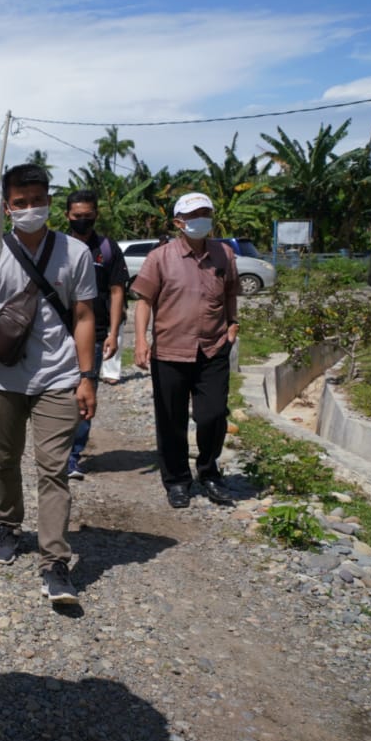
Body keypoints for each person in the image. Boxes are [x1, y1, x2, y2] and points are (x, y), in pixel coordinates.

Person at [0, 164, 97, 604]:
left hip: (59, 376)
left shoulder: (75, 253)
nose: (30, 209)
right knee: (5, 460)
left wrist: (87, 379)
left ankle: (54, 562)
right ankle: (9, 525)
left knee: (54, 470)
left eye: (38, 200)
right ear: (7, 206)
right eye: (21, 202)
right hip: (3, 377)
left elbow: (85, 317)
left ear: (51, 201)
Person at [132, 191, 238, 509]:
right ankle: (177, 480)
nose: (201, 220)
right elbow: (144, 301)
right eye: (194, 215)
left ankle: (209, 471)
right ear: (179, 222)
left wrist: (233, 323)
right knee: (171, 420)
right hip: (169, 352)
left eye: (206, 213)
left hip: (213, 347)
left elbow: (231, 290)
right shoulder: (160, 258)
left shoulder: (224, 254)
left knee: (213, 414)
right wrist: (140, 340)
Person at [63, 189, 128, 478]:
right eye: (77, 217)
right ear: (67, 216)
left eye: (88, 217)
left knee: (85, 394)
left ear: (96, 216)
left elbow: (117, 292)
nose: (82, 221)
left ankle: (73, 456)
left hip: (97, 333)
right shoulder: (57, 246)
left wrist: (114, 334)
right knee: (57, 396)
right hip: (59, 334)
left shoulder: (106, 248)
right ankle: (55, 451)